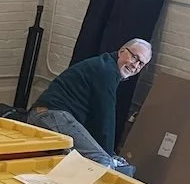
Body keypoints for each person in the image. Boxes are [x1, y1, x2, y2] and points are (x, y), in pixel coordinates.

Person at [27, 38, 152, 172]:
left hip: (49, 116)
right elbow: (106, 118)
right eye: (134, 57)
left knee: (101, 160)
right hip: (52, 116)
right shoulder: (106, 72)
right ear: (121, 51)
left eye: (141, 64)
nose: (135, 65)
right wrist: (108, 155)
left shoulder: (105, 65)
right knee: (102, 162)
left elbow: (96, 119)